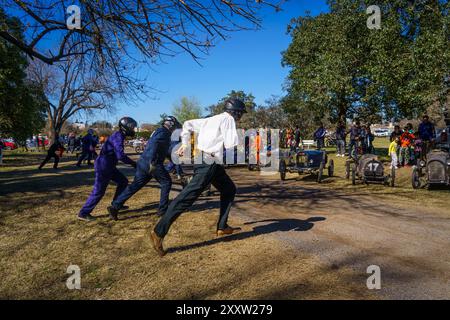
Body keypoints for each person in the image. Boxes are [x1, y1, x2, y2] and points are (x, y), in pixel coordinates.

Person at [150, 98, 245, 256]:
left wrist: (186, 144)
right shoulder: (228, 120)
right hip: (209, 163)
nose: (240, 117)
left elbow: (187, 124)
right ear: (236, 112)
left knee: (229, 189)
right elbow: (230, 144)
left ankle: (222, 227)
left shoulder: (211, 119)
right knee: (186, 198)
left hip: (208, 160)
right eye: (240, 113)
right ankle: (158, 232)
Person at [107, 116, 181, 220]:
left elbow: (162, 149)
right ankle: (162, 210)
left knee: (135, 185)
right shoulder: (164, 133)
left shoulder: (159, 131)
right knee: (166, 182)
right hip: (152, 162)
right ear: (171, 125)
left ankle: (115, 207)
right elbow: (155, 145)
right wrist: (154, 161)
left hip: (144, 162)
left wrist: (171, 158)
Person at [77, 117, 138, 222]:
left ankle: (116, 203)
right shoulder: (118, 137)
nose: (133, 130)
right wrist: (133, 163)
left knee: (123, 181)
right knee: (99, 191)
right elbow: (120, 155)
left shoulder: (120, 135)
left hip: (108, 166)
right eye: (132, 127)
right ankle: (83, 213)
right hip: (103, 167)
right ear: (125, 127)